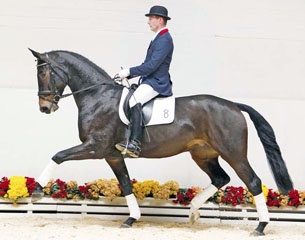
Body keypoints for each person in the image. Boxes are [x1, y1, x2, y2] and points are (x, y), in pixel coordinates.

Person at [115, 5, 174, 158]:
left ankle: (134, 143)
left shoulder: (164, 39)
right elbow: (146, 65)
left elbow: (152, 65)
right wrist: (129, 76)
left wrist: (128, 71)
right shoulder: (158, 38)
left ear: (160, 20)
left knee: (134, 100)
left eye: (151, 18)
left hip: (157, 82)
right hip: (150, 79)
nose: (148, 22)